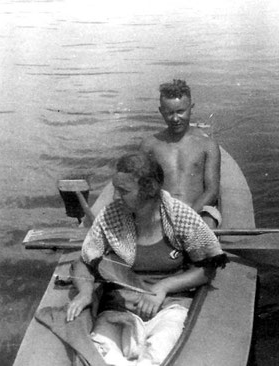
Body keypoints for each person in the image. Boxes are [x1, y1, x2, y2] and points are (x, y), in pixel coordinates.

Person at [66, 152, 228, 365]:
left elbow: (207, 269)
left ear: (149, 189)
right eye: (115, 189)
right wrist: (86, 293)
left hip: (168, 309)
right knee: (101, 355)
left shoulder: (180, 217)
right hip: (120, 308)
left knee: (159, 355)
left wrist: (163, 287)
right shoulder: (109, 216)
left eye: (123, 191)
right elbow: (84, 262)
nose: (115, 196)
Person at [140, 79, 221, 228]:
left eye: (180, 111)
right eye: (169, 113)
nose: (175, 118)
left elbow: (212, 191)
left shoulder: (207, 145)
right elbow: (142, 184)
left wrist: (187, 216)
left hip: (199, 211)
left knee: (208, 224)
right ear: (161, 111)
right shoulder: (150, 145)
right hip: (162, 210)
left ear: (191, 108)